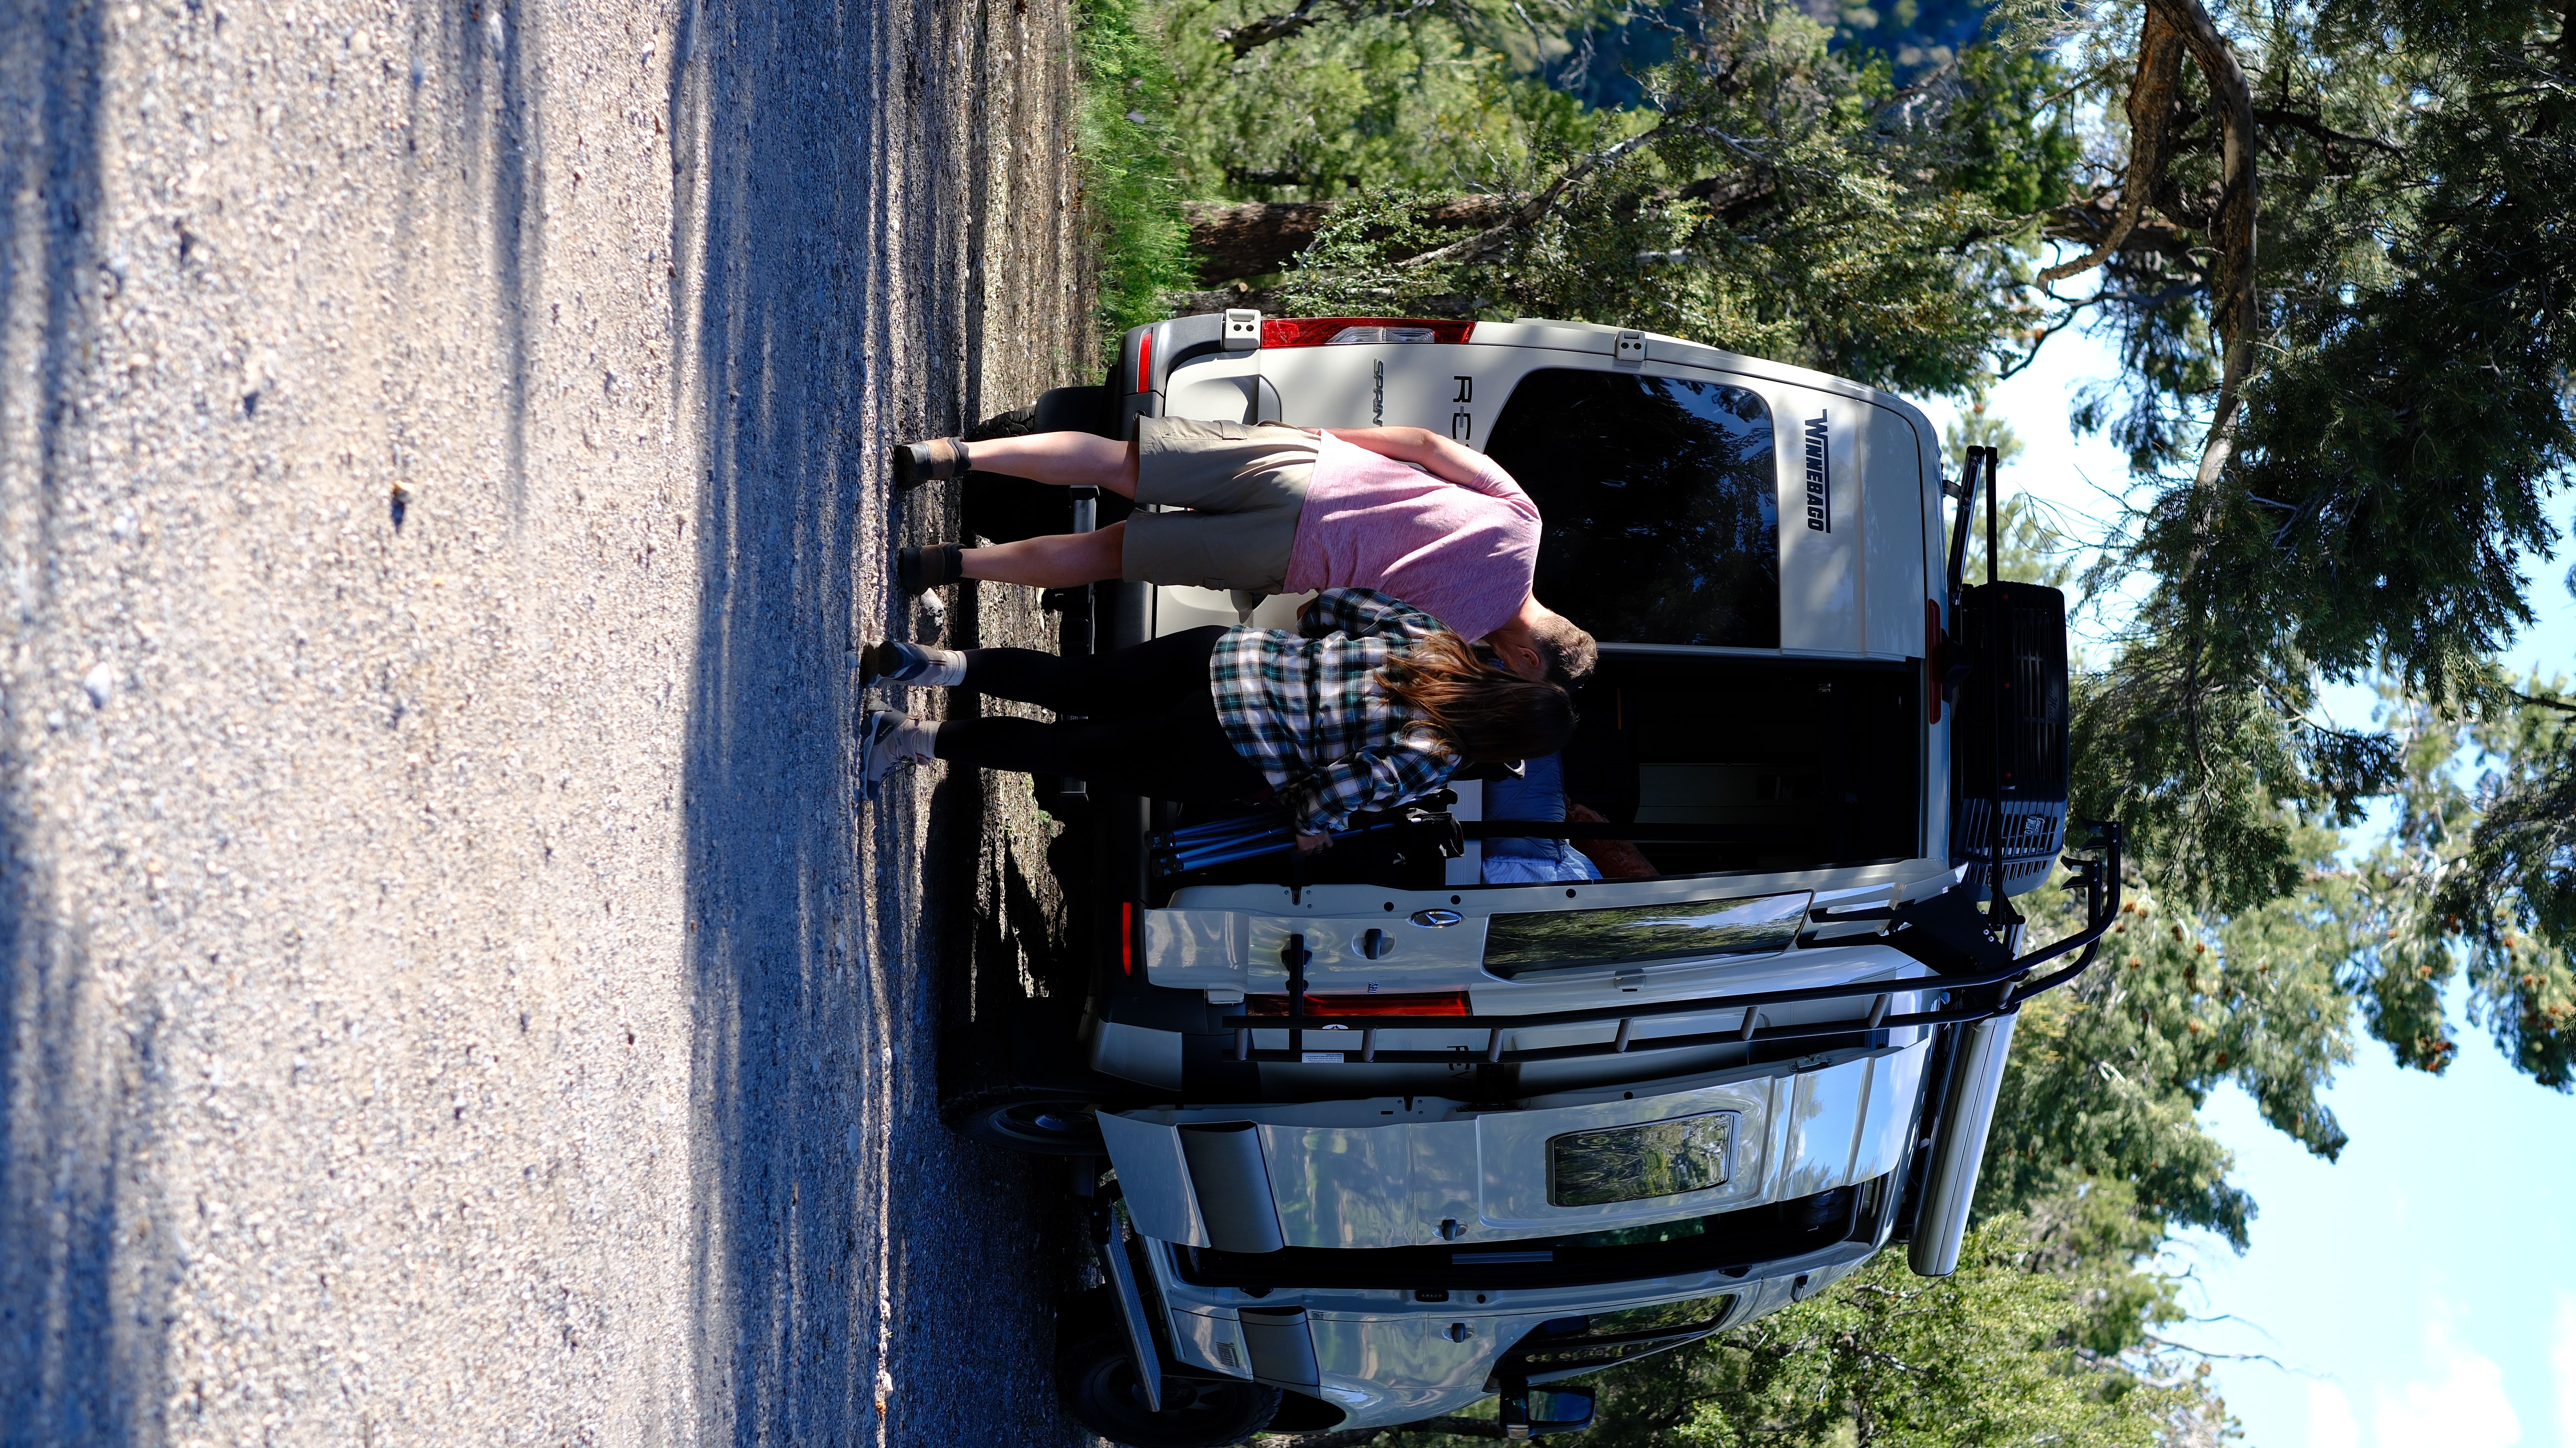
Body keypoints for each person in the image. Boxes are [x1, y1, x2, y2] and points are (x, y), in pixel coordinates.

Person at [889, 420, 1597, 686]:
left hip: (1311, 466)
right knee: (1109, 554)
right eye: (1517, 673)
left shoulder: (1525, 520)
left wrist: (1324, 439)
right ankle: (944, 565)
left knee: (1116, 462)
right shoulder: (1452, 638)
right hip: (1288, 557)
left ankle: (948, 455)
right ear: (1530, 659)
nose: (1505, 673)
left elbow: (1426, 445)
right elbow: (1331, 618)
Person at [853, 588, 1576, 847]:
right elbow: (1326, 797)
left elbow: (1330, 608)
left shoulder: (1434, 640)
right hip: (1220, 745)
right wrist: (1312, 827)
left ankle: (930, 663)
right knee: (1064, 750)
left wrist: (1310, 652)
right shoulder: (1437, 752)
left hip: (1221, 655)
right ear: (1505, 737)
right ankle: (906, 735)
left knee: (1071, 682)